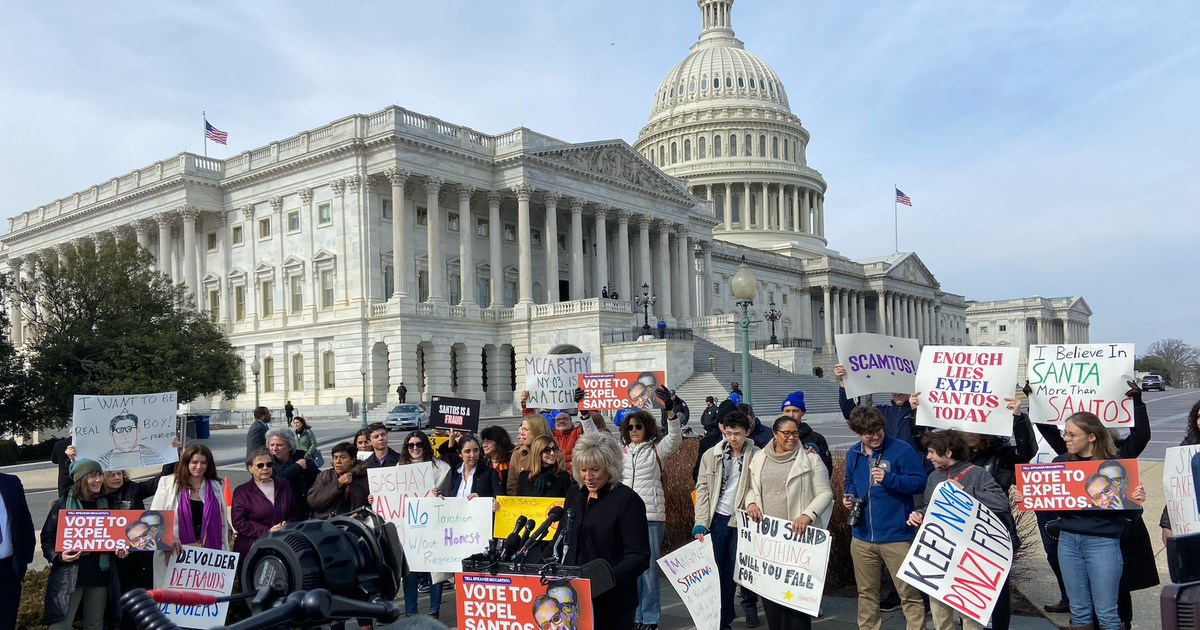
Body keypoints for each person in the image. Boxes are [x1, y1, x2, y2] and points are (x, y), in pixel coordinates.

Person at [1033, 380, 1155, 625]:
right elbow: (1051, 502)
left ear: (1091, 437)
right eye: (1064, 433)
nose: (1066, 438)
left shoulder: (1116, 462)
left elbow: (1141, 437)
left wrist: (1138, 403)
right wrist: (1031, 496)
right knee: (1079, 613)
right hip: (1068, 541)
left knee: (1108, 612)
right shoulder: (1061, 462)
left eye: (1072, 434)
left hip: (1103, 542)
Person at [584, 385, 680, 630]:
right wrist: (584, 415)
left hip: (650, 515)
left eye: (639, 426)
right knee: (627, 570)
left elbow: (675, 438)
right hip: (623, 516)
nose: (634, 430)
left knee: (647, 572)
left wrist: (670, 411)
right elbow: (596, 439)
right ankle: (635, 616)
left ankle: (649, 618)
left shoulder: (657, 449)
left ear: (647, 426)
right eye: (630, 427)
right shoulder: (620, 451)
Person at [907, 430, 1014, 630]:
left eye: (931, 452)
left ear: (948, 452)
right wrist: (920, 514)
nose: (928, 457)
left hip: (968, 557)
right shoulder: (933, 477)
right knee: (940, 615)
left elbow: (1001, 502)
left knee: (970, 617)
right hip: (940, 555)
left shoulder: (976, 473)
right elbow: (931, 506)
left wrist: (966, 492)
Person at [741, 416, 833, 630]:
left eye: (795, 433)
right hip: (768, 543)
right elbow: (750, 489)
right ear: (775, 434)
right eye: (787, 434)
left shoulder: (811, 459)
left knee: (796, 604)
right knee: (771, 598)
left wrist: (807, 515)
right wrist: (752, 503)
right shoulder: (759, 457)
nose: (792, 438)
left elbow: (825, 494)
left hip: (797, 542)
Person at [553, 431, 651, 630]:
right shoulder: (574, 494)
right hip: (573, 602)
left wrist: (604, 580)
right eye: (583, 469)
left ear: (610, 467)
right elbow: (560, 538)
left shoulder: (627, 501)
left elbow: (638, 557)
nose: (587, 477)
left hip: (611, 604)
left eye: (595, 470)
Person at [842, 406, 928, 630]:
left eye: (878, 430)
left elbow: (920, 482)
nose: (876, 435)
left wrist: (889, 479)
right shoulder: (854, 453)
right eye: (869, 432)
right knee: (867, 594)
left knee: (909, 593)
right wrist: (848, 498)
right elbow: (849, 483)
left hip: (896, 536)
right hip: (862, 537)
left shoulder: (901, 449)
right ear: (858, 433)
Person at [692, 410, 760, 630]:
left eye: (737, 434)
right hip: (717, 518)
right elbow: (702, 490)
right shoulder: (712, 454)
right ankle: (715, 620)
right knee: (713, 572)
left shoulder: (757, 454)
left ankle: (726, 619)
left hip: (741, 521)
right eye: (729, 433)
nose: (733, 438)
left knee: (732, 573)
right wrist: (700, 521)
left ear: (747, 432)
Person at [42, 460, 129, 630]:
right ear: (81, 479)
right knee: (60, 626)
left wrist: (121, 549)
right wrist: (58, 556)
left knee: (95, 625)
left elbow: (119, 537)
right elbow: (47, 537)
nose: (98, 480)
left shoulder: (110, 503)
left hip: (99, 575)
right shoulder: (62, 505)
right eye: (92, 476)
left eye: (99, 475)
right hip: (70, 576)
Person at [149, 444, 231, 588]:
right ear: (186, 463)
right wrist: (168, 537)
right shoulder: (168, 484)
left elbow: (220, 517)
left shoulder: (217, 485)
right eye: (194, 462)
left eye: (203, 462)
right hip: (175, 556)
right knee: (175, 604)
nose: (199, 466)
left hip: (210, 556)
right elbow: (152, 520)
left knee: (206, 602)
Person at [400, 430, 452, 619]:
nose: (415, 448)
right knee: (410, 572)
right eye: (411, 445)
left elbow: (448, 497)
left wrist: (440, 496)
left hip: (434, 526)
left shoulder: (442, 468)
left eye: (419, 444)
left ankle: (434, 610)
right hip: (410, 528)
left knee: (434, 572)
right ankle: (410, 611)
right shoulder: (400, 467)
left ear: (425, 446)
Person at [834, 364, 924, 458]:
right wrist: (844, 381)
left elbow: (924, 439)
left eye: (902, 389)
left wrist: (916, 411)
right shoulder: (880, 411)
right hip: (884, 464)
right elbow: (851, 414)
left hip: (911, 464)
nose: (898, 393)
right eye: (894, 389)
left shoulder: (921, 412)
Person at [232, 448, 299, 558]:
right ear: (250, 468)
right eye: (260, 465)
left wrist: (287, 525)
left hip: (282, 543)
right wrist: (267, 531)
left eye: (269, 464)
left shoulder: (284, 484)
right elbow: (239, 522)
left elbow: (294, 511)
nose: (265, 468)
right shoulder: (242, 491)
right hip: (252, 547)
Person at [1161, 399, 1200, 544]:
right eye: (1199, 417)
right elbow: (1177, 489)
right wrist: (1167, 524)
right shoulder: (1188, 445)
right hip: (1193, 524)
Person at [0, 471, 35, 630]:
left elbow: (24, 521)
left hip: (8, 569)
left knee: (7, 622)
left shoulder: (10, 483)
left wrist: (24, 561)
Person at [309, 442, 371, 519]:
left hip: (355, 523)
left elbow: (372, 506)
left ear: (352, 460)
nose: (338, 461)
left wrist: (362, 514)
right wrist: (337, 484)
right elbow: (314, 502)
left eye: (343, 457)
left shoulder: (363, 477)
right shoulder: (325, 476)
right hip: (327, 523)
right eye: (335, 457)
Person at [267, 428, 318, 519]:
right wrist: (296, 467)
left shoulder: (302, 457)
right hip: (284, 515)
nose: (274, 449)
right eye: (272, 445)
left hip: (307, 511)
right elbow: (274, 482)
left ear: (289, 446)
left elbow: (319, 478)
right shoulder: (267, 463)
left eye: (279, 445)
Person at [780, 391, 832, 475]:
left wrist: (814, 458)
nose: (791, 415)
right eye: (787, 411)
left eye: (795, 411)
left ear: (803, 413)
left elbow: (827, 469)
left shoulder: (816, 438)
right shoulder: (774, 436)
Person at [437, 434, 503, 498]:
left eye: (476, 450)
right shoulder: (453, 472)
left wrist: (481, 500)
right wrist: (439, 495)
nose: (472, 455)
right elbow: (445, 494)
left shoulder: (490, 473)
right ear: (460, 454)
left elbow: (499, 499)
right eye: (467, 451)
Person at [508, 405, 555, 496]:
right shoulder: (517, 453)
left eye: (526, 429)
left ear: (537, 431)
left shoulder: (555, 453)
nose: (522, 433)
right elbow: (512, 487)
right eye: (522, 429)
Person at [96, 410, 167, 470]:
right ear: (111, 433)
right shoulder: (103, 461)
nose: (125, 434)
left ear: (137, 429)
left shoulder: (152, 455)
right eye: (119, 430)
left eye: (129, 429)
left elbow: (164, 476)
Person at [481, 425, 515, 489]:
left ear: (499, 442)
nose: (484, 445)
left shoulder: (512, 461)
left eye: (488, 441)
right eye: (483, 441)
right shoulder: (483, 463)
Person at [51, 434, 74, 498]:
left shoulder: (58, 444)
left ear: (69, 433)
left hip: (63, 476)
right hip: (80, 476)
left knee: (64, 500)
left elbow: (54, 460)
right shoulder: (83, 444)